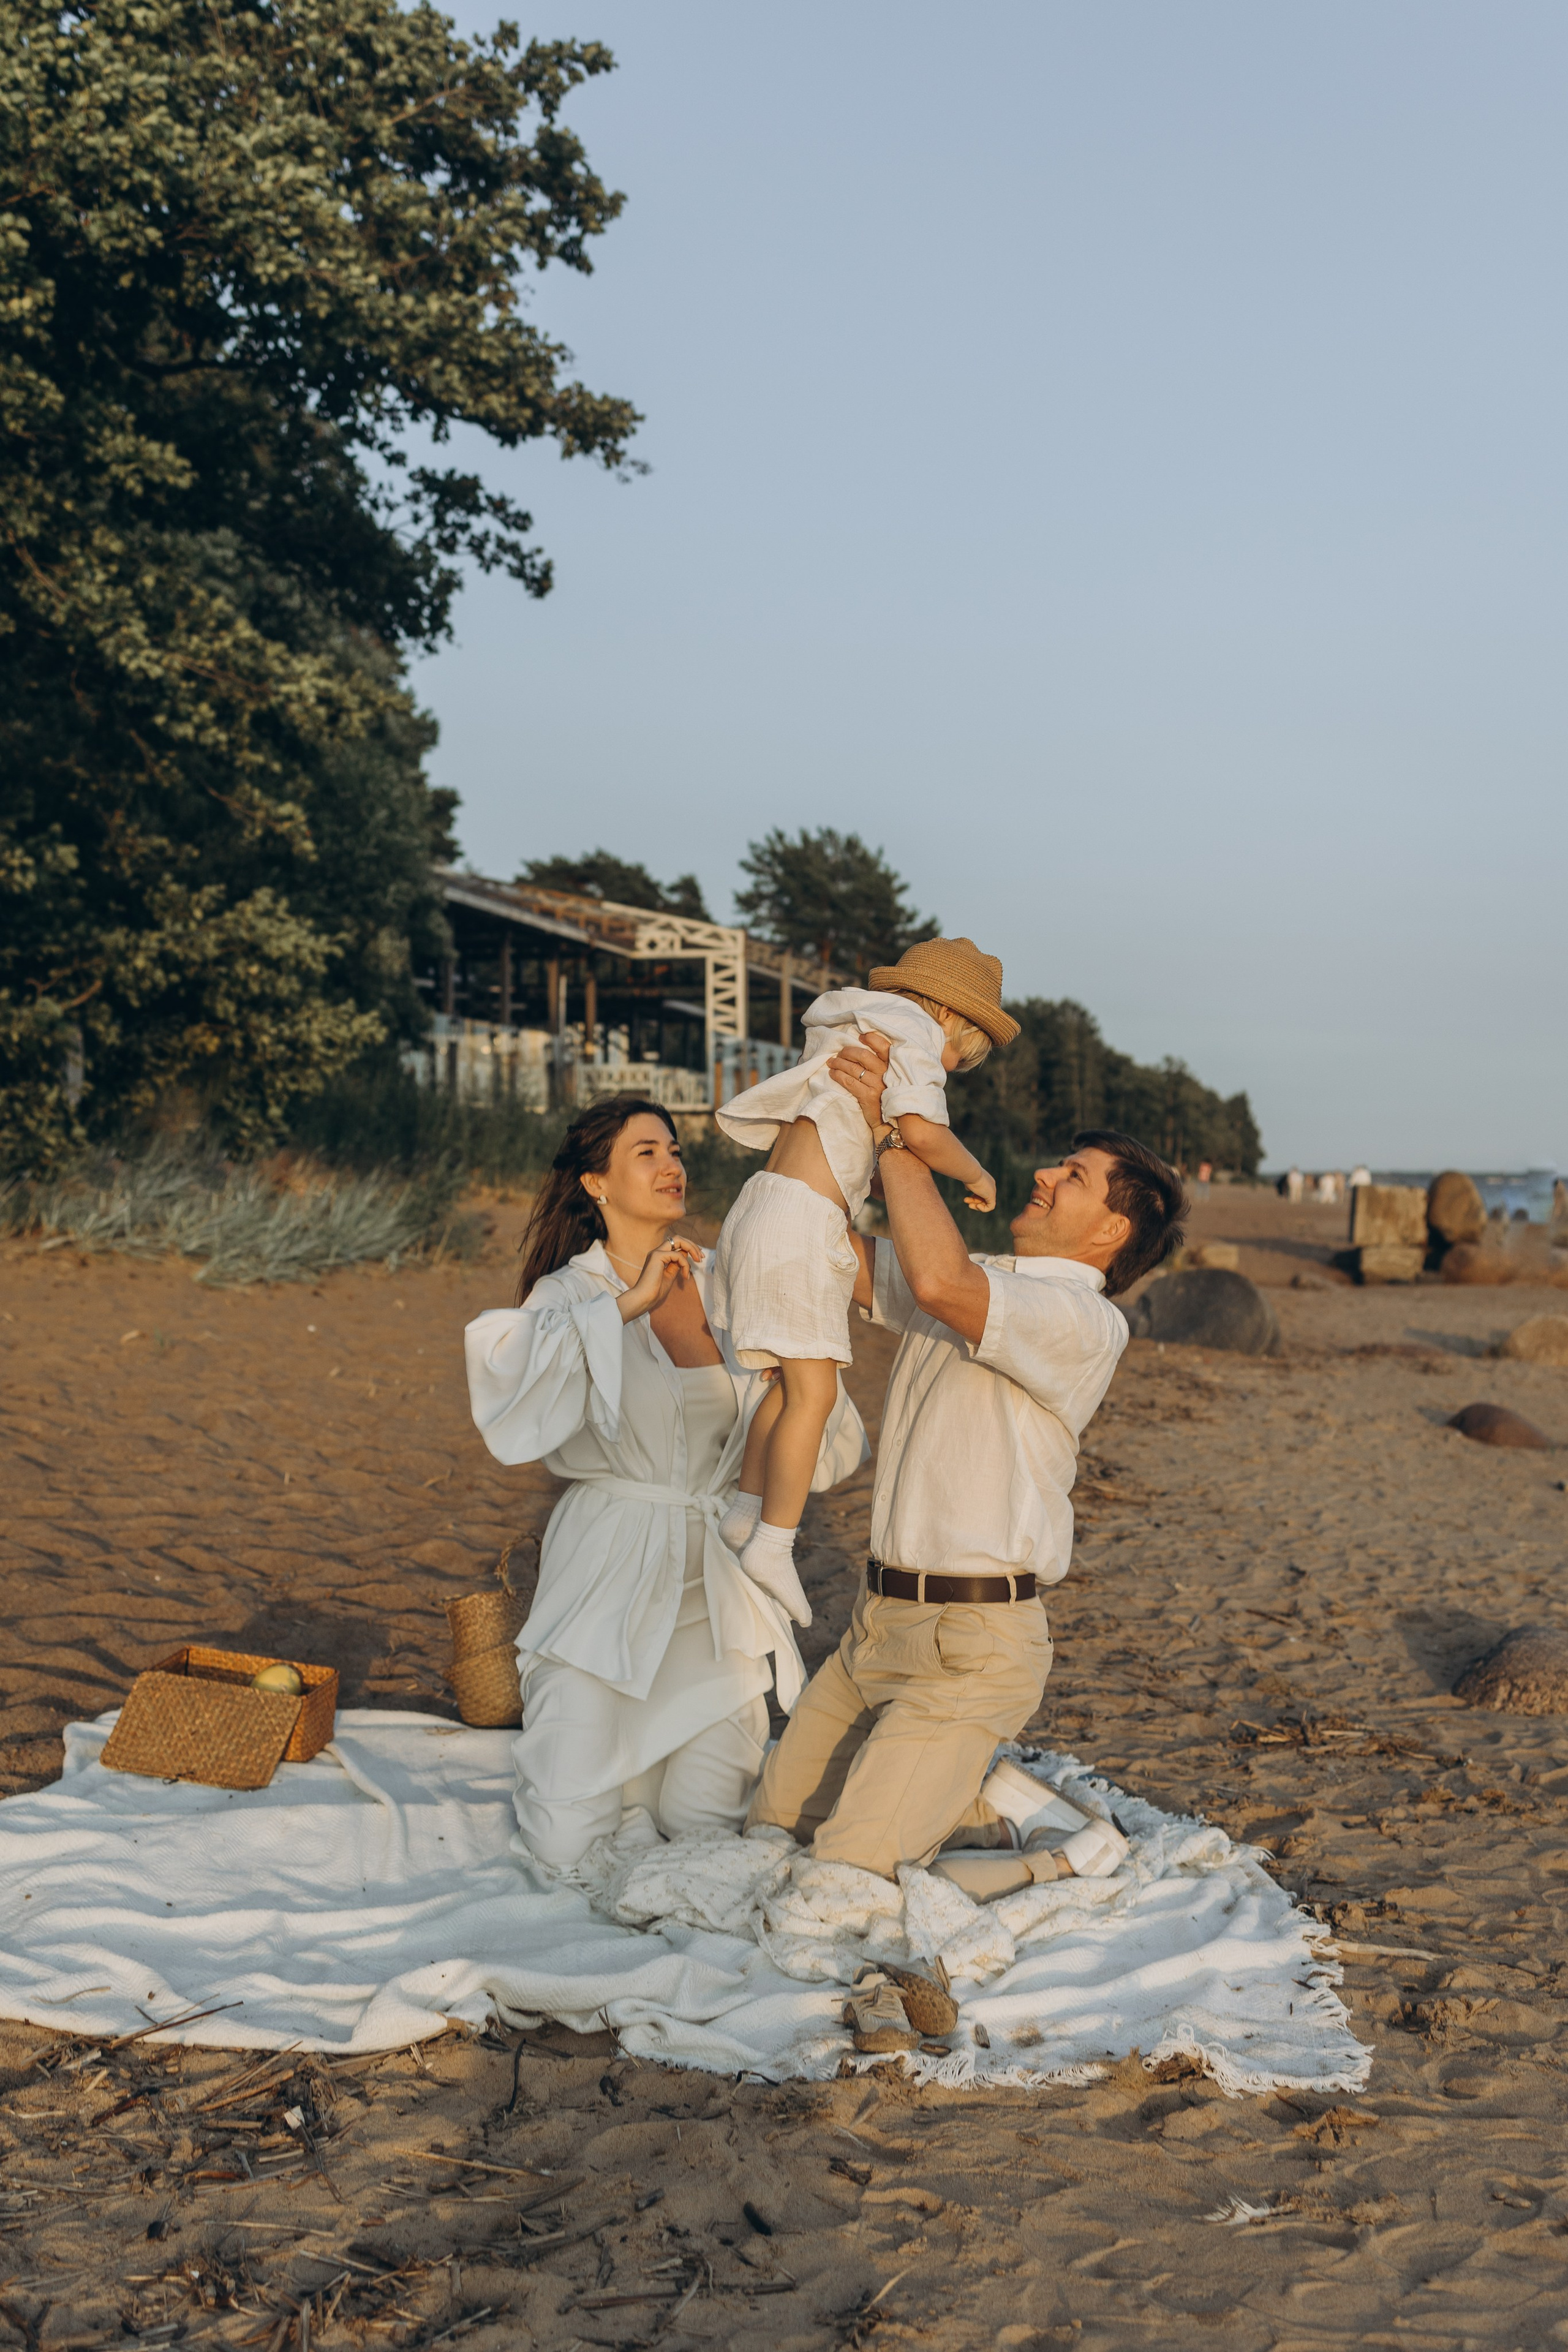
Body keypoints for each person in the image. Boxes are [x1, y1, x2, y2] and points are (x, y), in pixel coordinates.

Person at [747, 1032, 1188, 1911]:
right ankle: (981, 1804)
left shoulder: (1081, 1323)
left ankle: (1062, 1864)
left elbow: (942, 1285)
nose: (1047, 1177)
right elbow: (838, 1258)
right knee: (766, 1832)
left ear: (1112, 1230)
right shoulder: (984, 1276)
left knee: (832, 1890)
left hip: (971, 1652)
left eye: (1075, 1177)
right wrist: (838, 1115)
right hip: (874, 1630)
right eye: (1059, 1163)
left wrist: (899, 1138)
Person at [464, 1095, 865, 1869]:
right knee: (563, 1846)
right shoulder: (570, 1296)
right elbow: (511, 1386)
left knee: (706, 1827)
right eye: (645, 1152)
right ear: (596, 1183)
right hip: (607, 1575)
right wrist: (629, 1305)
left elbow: (823, 1428)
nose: (671, 1165)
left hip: (715, 1576)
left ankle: (651, 1812)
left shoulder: (727, 1284)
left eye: (675, 1150)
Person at [707, 937, 1019, 1630]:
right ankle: (773, 1544)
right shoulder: (911, 1034)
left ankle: (744, 1510)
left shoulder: (846, 1023)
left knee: (785, 1385)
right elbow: (920, 1132)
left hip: (757, 1206)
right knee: (813, 1396)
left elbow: (857, 1136)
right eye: (959, 1055)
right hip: (801, 1222)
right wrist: (975, 1174)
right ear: (946, 1014)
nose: (951, 1069)